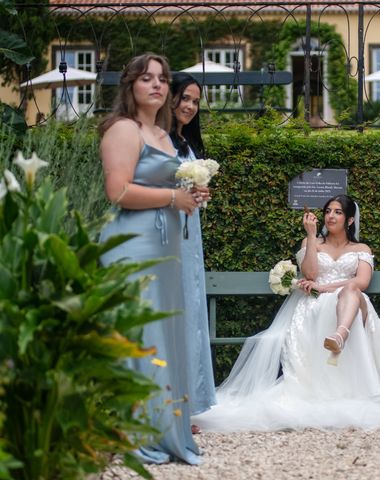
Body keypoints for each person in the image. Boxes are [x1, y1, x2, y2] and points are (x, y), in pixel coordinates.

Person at [192, 194, 380, 432]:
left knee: (350, 289)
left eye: (337, 212)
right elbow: (310, 274)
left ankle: (339, 335)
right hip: (315, 303)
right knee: (331, 301)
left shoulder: (361, 248)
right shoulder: (313, 243)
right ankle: (338, 337)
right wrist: (310, 235)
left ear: (349, 220)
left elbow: (362, 281)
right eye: (328, 211)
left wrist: (325, 288)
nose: (330, 216)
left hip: (352, 301)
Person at [98, 53, 209, 465]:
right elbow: (118, 191)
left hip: (167, 249)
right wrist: (171, 197)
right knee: (140, 337)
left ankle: (165, 429)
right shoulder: (123, 129)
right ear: (131, 85)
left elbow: (170, 189)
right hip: (134, 245)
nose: (157, 85)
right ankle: (134, 432)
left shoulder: (162, 134)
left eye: (162, 79)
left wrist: (190, 197)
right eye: (147, 78)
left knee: (165, 336)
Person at [169, 72, 217, 422]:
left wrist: (200, 195)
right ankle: (170, 404)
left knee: (191, 309)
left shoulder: (188, 143)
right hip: (167, 232)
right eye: (184, 98)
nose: (189, 106)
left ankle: (188, 403)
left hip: (190, 233)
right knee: (174, 310)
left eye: (195, 101)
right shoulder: (160, 141)